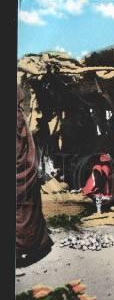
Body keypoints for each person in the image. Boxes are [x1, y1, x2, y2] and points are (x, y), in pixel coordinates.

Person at [16, 85, 53, 269]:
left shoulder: (16, 117)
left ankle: (24, 248)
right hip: (25, 170)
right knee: (25, 211)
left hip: (20, 171)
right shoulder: (19, 116)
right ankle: (31, 246)